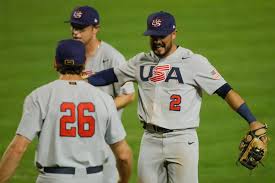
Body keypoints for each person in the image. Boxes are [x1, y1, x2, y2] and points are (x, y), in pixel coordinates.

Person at [86, 11, 268, 183]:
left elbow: (226, 91)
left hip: (182, 140)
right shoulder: (140, 61)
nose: (157, 41)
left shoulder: (193, 62)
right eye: (153, 37)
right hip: (150, 139)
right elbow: (110, 75)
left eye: (162, 36)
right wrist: (79, 80)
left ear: (174, 34)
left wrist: (251, 120)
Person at [0, 39, 132, 183]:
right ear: (84, 63)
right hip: (94, 178)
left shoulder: (39, 96)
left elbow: (17, 148)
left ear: (55, 62)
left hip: (53, 179)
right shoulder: (104, 100)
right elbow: (123, 155)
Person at [65, 6, 135, 183]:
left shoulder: (112, 58)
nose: (75, 32)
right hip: (73, 139)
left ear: (95, 29)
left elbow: (128, 95)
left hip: (104, 142)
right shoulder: (70, 56)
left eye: (81, 28)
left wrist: (98, 110)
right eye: (73, 27)